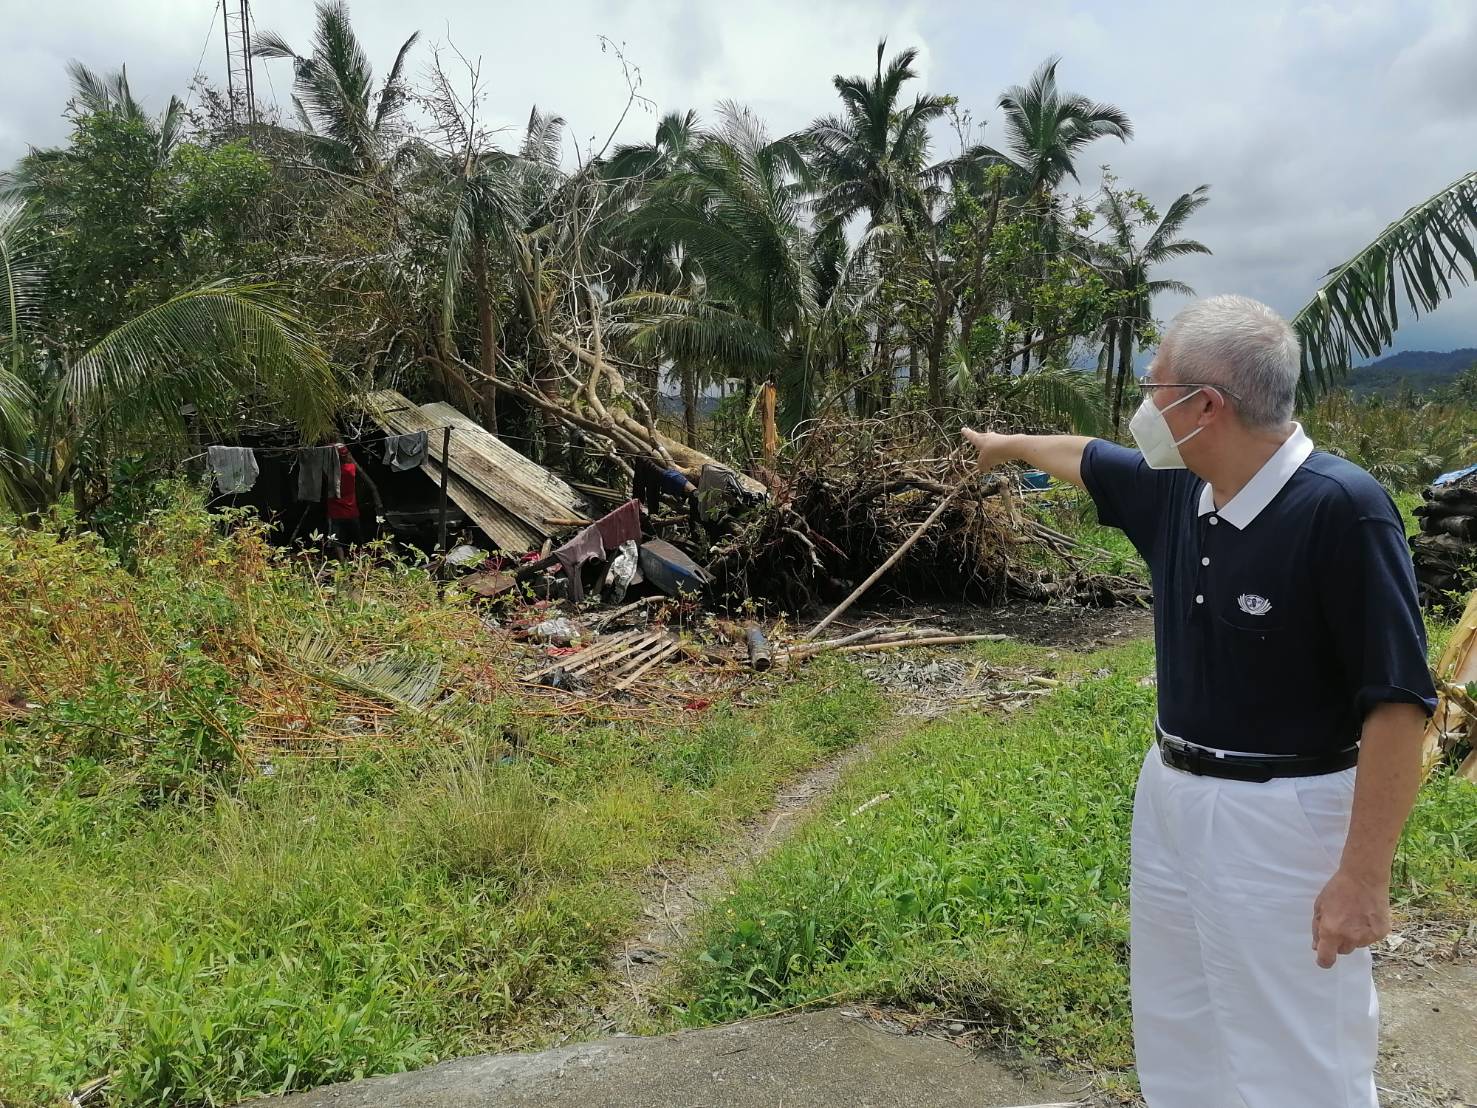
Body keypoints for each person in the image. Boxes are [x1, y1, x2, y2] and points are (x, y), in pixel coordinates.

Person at [963, 294, 1435, 1106]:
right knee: (1179, 1017)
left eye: (1153, 387)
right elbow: (1084, 454)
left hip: (1281, 816)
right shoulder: (1181, 488)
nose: (1144, 405)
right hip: (1173, 793)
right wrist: (1003, 447)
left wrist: (1362, 878)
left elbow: (1396, 705)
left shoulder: (1341, 510)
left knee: (1296, 1043)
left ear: (1204, 405)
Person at [324, 444, 361, 557]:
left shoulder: (329, 472)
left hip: (336, 512)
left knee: (336, 539)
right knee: (356, 538)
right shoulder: (351, 468)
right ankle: (358, 559)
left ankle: (343, 562)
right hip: (352, 511)